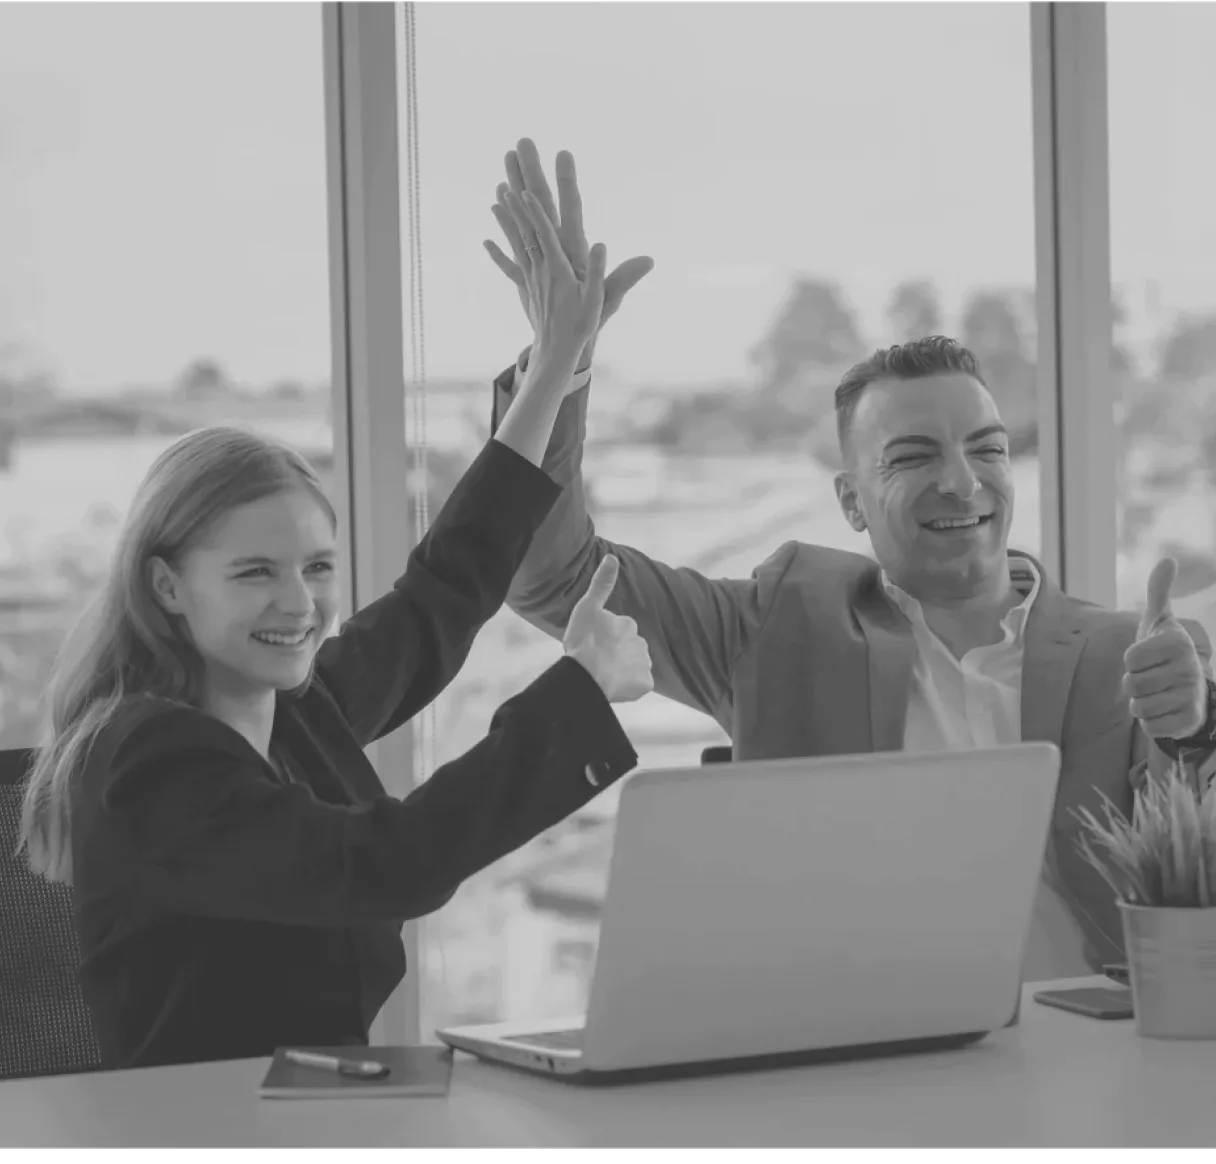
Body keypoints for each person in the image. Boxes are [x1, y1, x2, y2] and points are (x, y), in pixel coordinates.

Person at [480, 138, 1216, 979]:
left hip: (1082, 1054)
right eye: (911, 458)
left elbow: (1188, 871)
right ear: (851, 501)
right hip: (855, 1063)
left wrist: (1196, 729)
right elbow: (555, 578)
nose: (959, 482)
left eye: (987, 449)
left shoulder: (1123, 655)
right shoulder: (778, 627)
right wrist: (557, 367)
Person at [17, 187, 654, 1071]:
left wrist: (556, 367)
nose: (300, 604)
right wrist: (579, 689)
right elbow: (387, 863)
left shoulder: (289, 708)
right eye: (254, 572)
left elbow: (444, 591)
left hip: (324, 1108)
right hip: (205, 1134)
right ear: (166, 585)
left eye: (316, 567)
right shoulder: (148, 761)